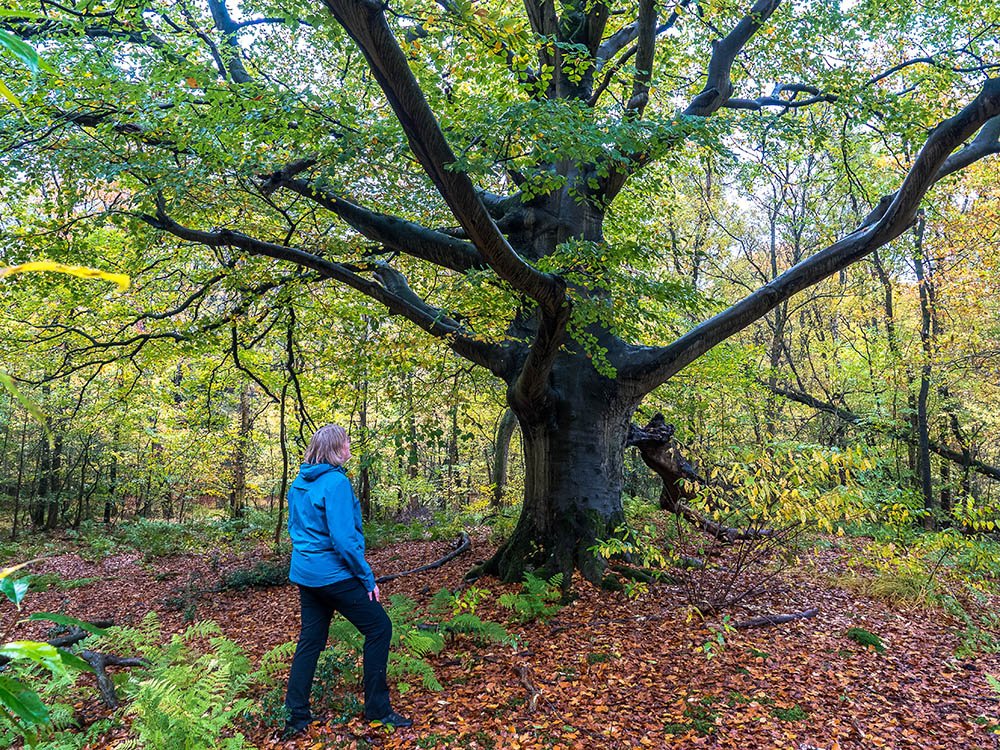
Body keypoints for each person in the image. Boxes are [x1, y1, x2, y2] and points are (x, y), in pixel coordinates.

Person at [283, 424, 412, 738]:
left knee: (310, 641)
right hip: (333, 574)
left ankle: (295, 715)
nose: (350, 449)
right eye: (346, 444)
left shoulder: (298, 482)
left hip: (306, 574)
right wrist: (367, 578)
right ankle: (378, 710)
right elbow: (343, 540)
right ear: (334, 449)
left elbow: (294, 530)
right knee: (380, 627)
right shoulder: (336, 483)